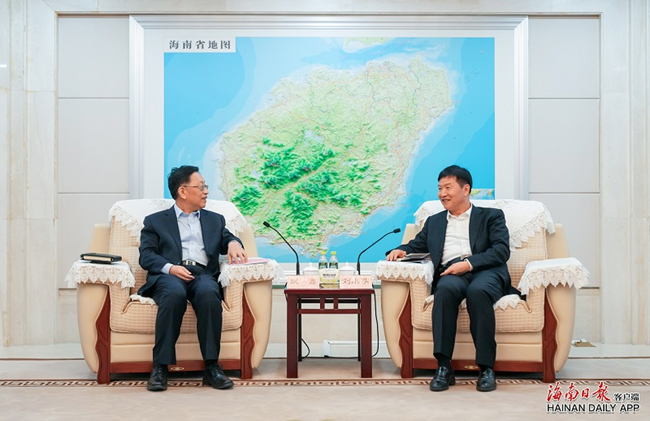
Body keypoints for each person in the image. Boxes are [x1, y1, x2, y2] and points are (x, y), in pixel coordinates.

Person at [386, 165, 511, 392]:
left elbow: (501, 251)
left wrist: (469, 264)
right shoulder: (434, 221)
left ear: (466, 189)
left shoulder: (491, 216)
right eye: (440, 188)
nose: (442, 193)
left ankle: (486, 368)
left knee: (478, 292)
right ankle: (444, 367)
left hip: (486, 271)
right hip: (451, 272)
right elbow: (416, 245)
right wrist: (401, 250)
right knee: (444, 291)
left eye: (447, 188)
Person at [138, 165, 248, 392]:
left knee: (209, 293)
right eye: (201, 187)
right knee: (173, 294)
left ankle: (212, 367)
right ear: (183, 191)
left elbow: (226, 237)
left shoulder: (214, 219)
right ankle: (160, 367)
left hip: (202, 274)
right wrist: (170, 268)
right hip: (170, 275)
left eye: (205, 186)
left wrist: (233, 243)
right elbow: (146, 255)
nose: (206, 191)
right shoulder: (155, 221)